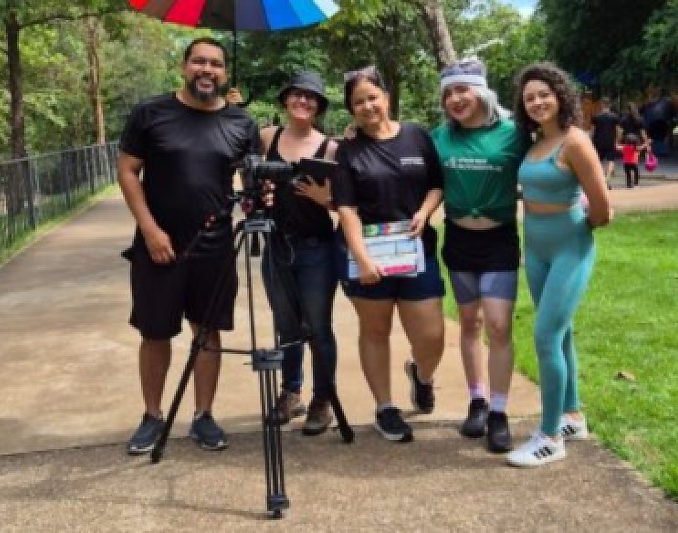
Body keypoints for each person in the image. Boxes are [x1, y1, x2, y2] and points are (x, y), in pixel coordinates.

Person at [117, 37, 260, 455]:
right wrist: (149, 229)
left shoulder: (241, 123)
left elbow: (251, 182)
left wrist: (258, 196)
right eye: (199, 61)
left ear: (225, 73)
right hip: (158, 245)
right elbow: (127, 171)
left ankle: (203, 415)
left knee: (208, 331)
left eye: (216, 64)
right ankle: (152, 416)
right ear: (184, 67)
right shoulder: (151, 113)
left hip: (215, 245)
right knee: (155, 331)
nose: (207, 70)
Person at [507, 61, 612, 467]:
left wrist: (578, 229)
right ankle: (572, 416)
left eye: (544, 94)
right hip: (536, 248)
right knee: (561, 333)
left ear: (560, 96)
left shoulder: (575, 141)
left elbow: (603, 210)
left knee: (546, 335)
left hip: (570, 247)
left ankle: (549, 437)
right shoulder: (535, 143)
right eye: (529, 98)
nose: (537, 102)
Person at [333, 65, 445, 443]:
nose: (367, 106)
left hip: (416, 253)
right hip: (369, 257)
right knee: (375, 331)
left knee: (431, 335)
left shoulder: (417, 136)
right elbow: (346, 209)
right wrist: (363, 259)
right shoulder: (348, 150)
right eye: (358, 102)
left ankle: (422, 375)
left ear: (387, 98)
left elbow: (436, 185)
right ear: (351, 109)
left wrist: (424, 212)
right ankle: (385, 407)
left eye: (373, 98)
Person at [430, 58, 528, 453]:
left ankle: (500, 412)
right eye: (448, 94)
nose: (455, 99)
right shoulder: (439, 137)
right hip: (458, 240)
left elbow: (550, 161)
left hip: (499, 240)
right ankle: (477, 401)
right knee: (469, 322)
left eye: (462, 90)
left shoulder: (514, 133)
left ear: (481, 92)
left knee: (499, 326)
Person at [259, 71, 339, 436]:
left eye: (310, 97)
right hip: (276, 246)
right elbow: (248, 174)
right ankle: (290, 392)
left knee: (318, 326)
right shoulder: (268, 137)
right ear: (285, 100)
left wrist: (326, 200)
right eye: (296, 94)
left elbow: (344, 202)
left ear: (319, 105)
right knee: (286, 326)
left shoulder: (331, 148)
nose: (302, 101)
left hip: (316, 248)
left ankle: (323, 399)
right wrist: (257, 194)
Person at [589, 97, 620, 187]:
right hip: (610, 141)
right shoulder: (614, 117)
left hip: (598, 141)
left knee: (598, 161)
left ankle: (601, 178)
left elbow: (592, 131)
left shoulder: (596, 117)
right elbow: (618, 130)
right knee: (611, 160)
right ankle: (607, 178)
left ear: (602, 105)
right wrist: (617, 141)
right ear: (609, 105)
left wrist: (590, 141)